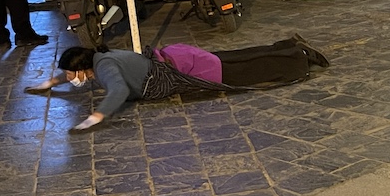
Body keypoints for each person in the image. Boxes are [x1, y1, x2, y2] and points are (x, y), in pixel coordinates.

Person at [24, 35, 330, 133]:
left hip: (183, 68)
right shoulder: (99, 58)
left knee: (247, 71)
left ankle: (297, 57)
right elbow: (68, 73)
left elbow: (117, 91)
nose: (70, 79)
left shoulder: (104, 70)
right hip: (177, 56)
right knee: (236, 58)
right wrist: (47, 84)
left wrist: (95, 117)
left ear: (82, 69)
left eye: (70, 74)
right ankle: (289, 45)